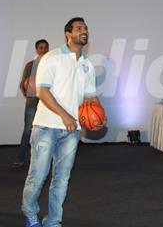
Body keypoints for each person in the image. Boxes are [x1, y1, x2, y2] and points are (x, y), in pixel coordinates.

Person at [21, 17, 106, 227]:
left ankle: (53, 222)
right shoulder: (51, 58)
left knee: (61, 180)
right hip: (45, 127)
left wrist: (100, 117)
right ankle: (30, 213)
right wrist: (65, 115)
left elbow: (90, 98)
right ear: (68, 34)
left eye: (86, 28)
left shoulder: (87, 65)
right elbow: (42, 91)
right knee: (37, 178)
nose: (84, 31)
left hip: (72, 131)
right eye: (79, 28)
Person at [13, 39, 49, 168]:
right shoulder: (30, 65)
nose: (43, 50)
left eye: (45, 48)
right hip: (32, 102)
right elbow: (22, 84)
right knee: (28, 130)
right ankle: (21, 157)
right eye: (40, 48)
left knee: (47, 132)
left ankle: (43, 161)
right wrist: (30, 91)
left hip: (48, 103)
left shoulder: (52, 65)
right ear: (36, 50)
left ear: (48, 49)